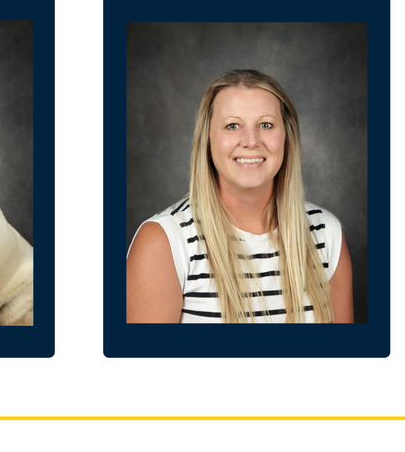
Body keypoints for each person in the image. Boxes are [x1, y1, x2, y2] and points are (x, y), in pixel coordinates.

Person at [126, 69, 354, 323]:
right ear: (208, 141)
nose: (251, 140)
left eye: (266, 125)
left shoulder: (325, 232)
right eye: (232, 125)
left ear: (287, 138)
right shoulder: (163, 242)